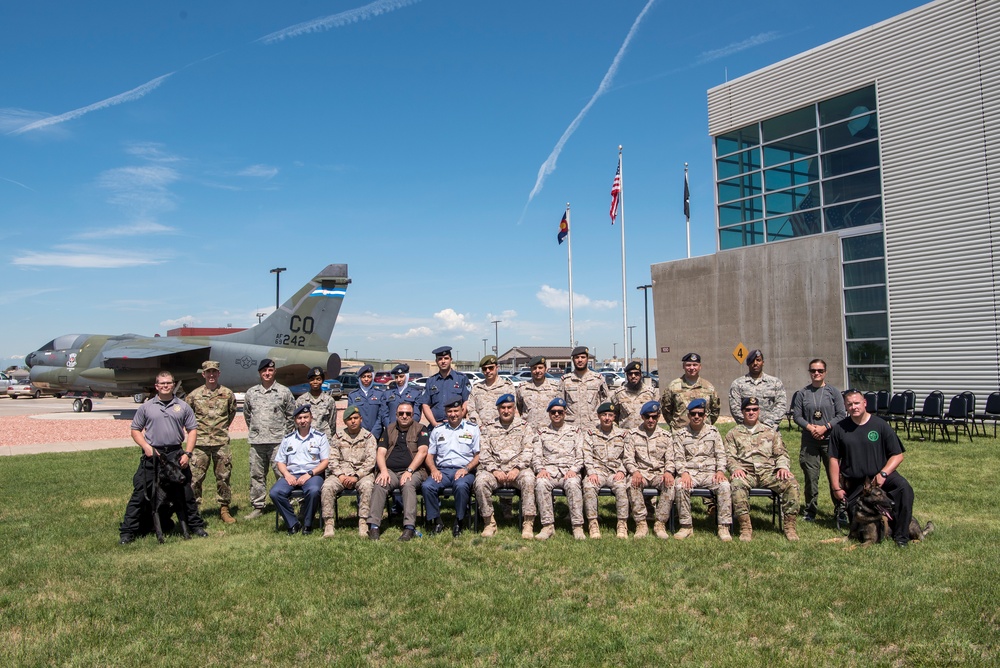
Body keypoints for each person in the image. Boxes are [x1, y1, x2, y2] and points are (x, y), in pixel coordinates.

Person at [119, 371, 208, 543]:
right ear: (156, 386)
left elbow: (192, 430)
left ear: (173, 384)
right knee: (140, 493)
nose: (166, 386)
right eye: (162, 383)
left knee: (186, 493)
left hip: (176, 455)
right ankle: (127, 531)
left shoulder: (183, 406)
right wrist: (146, 447)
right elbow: (135, 430)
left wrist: (187, 454)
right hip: (153, 455)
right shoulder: (147, 407)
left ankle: (195, 526)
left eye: (169, 383)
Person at [830, 389, 915, 547]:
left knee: (904, 488)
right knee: (858, 525)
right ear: (845, 407)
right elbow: (833, 459)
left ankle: (901, 537)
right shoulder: (840, 429)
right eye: (850, 404)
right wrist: (836, 487)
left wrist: (883, 473)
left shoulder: (880, 425)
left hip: (881, 476)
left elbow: (898, 455)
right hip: (856, 483)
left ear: (864, 403)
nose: (854, 407)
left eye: (857, 403)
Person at [725, 397, 800, 541]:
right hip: (746, 473)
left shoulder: (770, 432)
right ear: (742, 412)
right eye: (748, 410)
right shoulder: (733, 433)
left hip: (768, 473)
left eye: (754, 409)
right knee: (736, 484)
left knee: (792, 483)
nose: (751, 412)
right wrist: (735, 468)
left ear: (759, 411)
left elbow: (781, 453)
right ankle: (745, 528)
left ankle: (790, 527)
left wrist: (782, 467)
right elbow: (729, 457)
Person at [791, 358, 848, 523]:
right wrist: (811, 428)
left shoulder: (834, 392)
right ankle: (810, 510)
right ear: (809, 372)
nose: (816, 373)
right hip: (810, 441)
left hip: (830, 441)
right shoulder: (803, 393)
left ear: (825, 372)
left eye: (820, 371)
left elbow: (841, 414)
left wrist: (825, 427)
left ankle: (840, 509)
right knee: (811, 477)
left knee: (835, 478)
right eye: (813, 371)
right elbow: (797, 416)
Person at [474, 394, 538, 538]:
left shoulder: (524, 427)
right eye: (503, 408)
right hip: (495, 471)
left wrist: (517, 468)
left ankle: (528, 523)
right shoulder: (489, 427)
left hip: (518, 470)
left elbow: (528, 450)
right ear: (498, 409)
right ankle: (489, 522)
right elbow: (484, 453)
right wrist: (494, 470)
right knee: (480, 482)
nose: (506, 411)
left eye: (509, 407)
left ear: (514, 409)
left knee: (529, 479)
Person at [367, 401, 429, 541]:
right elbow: (381, 453)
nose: (404, 416)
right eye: (401, 413)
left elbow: (423, 451)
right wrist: (383, 471)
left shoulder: (421, 429)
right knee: (380, 484)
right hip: (390, 471)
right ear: (396, 415)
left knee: (408, 485)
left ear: (413, 415)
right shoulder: (389, 429)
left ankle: (409, 527)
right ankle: (374, 526)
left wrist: (409, 470)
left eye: (408, 413)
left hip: (415, 471)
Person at [185, 360, 238, 524]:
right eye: (208, 372)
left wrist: (219, 430)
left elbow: (231, 414)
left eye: (214, 372)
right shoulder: (194, 395)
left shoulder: (227, 394)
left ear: (219, 374)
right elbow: (188, 418)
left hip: (221, 443)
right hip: (199, 445)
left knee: (223, 477)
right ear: (203, 374)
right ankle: (193, 511)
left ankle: (224, 509)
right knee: (195, 479)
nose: (212, 375)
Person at [672, 398, 732, 541]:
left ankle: (723, 527)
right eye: (693, 414)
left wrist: (720, 471)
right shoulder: (681, 434)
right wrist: (684, 473)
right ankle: (686, 526)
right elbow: (678, 457)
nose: (696, 417)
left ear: (705, 416)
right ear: (688, 416)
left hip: (710, 473)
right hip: (690, 473)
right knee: (680, 486)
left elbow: (721, 454)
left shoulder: (713, 432)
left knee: (724, 485)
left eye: (700, 414)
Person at [243, 358, 296, 520]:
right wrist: (256, 430)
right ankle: (258, 506)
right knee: (256, 475)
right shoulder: (252, 393)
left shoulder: (284, 392)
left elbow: (291, 416)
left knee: (281, 475)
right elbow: (247, 415)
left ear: (275, 372)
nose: (267, 373)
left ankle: (285, 505)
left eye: (270, 370)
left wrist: (285, 437)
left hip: (278, 442)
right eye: (264, 371)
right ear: (260, 373)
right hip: (257, 442)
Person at [269, 404, 330, 535]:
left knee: (313, 491)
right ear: (295, 420)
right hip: (291, 474)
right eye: (299, 418)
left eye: (306, 417)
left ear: (311, 418)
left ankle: (308, 524)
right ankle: (293, 523)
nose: (303, 421)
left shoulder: (320, 437)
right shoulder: (288, 439)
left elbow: (325, 461)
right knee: (275, 492)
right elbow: (280, 461)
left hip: (313, 475)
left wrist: (309, 474)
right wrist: (287, 475)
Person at [423, 399, 480, 536]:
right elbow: (429, 455)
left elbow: (478, 455)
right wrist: (434, 470)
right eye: (449, 411)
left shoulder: (472, 428)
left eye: (456, 411)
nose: (453, 414)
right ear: (445, 413)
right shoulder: (438, 430)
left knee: (461, 486)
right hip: (443, 471)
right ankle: (437, 521)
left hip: (465, 470)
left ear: (462, 411)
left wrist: (466, 469)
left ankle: (459, 521)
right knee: (427, 486)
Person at [533, 398, 586, 541]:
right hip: (549, 471)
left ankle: (577, 526)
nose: (556, 414)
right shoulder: (541, 433)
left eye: (560, 412)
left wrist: (574, 470)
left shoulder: (575, 432)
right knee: (541, 483)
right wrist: (540, 469)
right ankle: (548, 526)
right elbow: (536, 455)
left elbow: (580, 455)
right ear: (549, 414)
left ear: (565, 413)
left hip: (569, 471)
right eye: (553, 412)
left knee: (573, 484)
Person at [319, 406, 377, 538]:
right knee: (327, 486)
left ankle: (363, 522)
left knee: (368, 486)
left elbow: (370, 461)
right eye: (349, 419)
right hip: (341, 474)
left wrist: (357, 476)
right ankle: (329, 524)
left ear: (361, 419)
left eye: (356, 418)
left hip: (362, 474)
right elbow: (332, 459)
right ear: (345, 422)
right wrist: (340, 475)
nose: (353, 421)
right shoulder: (338, 437)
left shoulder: (368, 437)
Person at [623, 400, 675, 539]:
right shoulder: (633, 435)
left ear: (658, 417)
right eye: (647, 417)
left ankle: (660, 523)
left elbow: (670, 459)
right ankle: (641, 523)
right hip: (641, 473)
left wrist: (668, 472)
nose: (650, 420)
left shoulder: (666, 436)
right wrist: (635, 471)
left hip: (659, 473)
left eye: (654, 416)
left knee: (670, 484)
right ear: (642, 417)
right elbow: (628, 458)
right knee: (632, 484)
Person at [582, 401, 630, 539]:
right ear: (598, 416)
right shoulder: (591, 434)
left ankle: (622, 524)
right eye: (604, 415)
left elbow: (628, 456)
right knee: (589, 486)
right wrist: (591, 472)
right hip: (598, 471)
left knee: (622, 487)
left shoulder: (623, 435)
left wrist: (622, 471)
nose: (607, 418)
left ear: (614, 417)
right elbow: (587, 455)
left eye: (610, 415)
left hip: (616, 472)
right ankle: (593, 523)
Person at [728, 349, 787, 428]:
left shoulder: (775, 383)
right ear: (748, 364)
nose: (755, 363)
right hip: (746, 431)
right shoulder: (738, 384)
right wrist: (749, 424)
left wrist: (767, 424)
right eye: (752, 361)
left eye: (758, 360)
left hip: (770, 430)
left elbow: (781, 405)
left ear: (763, 362)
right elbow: (735, 408)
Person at [662, 353, 721, 429]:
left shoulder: (709, 387)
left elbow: (715, 410)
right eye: (688, 365)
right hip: (680, 432)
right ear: (683, 366)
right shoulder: (673, 386)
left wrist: (707, 423)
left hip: (703, 432)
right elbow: (666, 410)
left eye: (695, 365)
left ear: (700, 367)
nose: (692, 368)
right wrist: (675, 426)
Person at [558, 346, 610, 428]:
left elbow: (606, 404)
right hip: (571, 428)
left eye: (583, 357)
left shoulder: (598, 379)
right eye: (577, 357)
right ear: (573, 359)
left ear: (587, 359)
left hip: (593, 427)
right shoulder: (565, 380)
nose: (580, 360)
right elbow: (559, 405)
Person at [420, 346, 471, 428]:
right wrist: (434, 423)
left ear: (451, 360)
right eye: (440, 359)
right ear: (436, 361)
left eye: (446, 358)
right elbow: (425, 404)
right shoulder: (431, 381)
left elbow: (466, 401)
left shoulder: (461, 378)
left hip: (457, 426)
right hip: (437, 425)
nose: (443, 361)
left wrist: (458, 419)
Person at [467, 355, 516, 426]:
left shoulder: (507, 386)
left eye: (490, 368)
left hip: (501, 430)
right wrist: (479, 425)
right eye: (484, 369)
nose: (487, 371)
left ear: (497, 368)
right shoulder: (476, 388)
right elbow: (471, 408)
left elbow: (512, 409)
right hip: (480, 429)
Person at [515, 355, 560, 429]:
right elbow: (519, 408)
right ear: (531, 370)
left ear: (545, 369)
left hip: (549, 431)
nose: (537, 371)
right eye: (534, 368)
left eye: (540, 368)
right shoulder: (523, 388)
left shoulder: (555, 387)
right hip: (529, 431)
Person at [294, 366, 337, 441]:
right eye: (312, 379)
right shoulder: (301, 400)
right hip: (306, 439)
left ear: (322, 381)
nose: (315, 382)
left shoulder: (329, 400)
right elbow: (296, 422)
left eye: (318, 379)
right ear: (308, 381)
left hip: (324, 439)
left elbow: (332, 423)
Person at [611, 361, 659, 429]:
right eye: (630, 374)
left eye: (636, 374)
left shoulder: (651, 393)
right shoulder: (619, 393)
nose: (633, 376)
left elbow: (657, 414)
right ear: (627, 376)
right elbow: (613, 415)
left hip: (645, 434)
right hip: (626, 435)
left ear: (640, 375)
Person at [347, 364, 388, 440]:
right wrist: (362, 433)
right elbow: (351, 416)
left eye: (369, 377)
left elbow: (381, 416)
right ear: (359, 378)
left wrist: (373, 434)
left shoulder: (380, 394)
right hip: (358, 435)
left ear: (372, 378)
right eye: (363, 377)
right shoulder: (352, 396)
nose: (366, 379)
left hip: (377, 435)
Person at [382, 363, 424, 432]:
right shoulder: (387, 394)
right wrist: (390, 428)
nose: (399, 380)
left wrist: (408, 427)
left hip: (410, 431)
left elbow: (416, 415)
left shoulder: (416, 394)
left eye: (401, 376)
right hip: (392, 431)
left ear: (406, 376)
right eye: (396, 377)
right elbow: (384, 415)